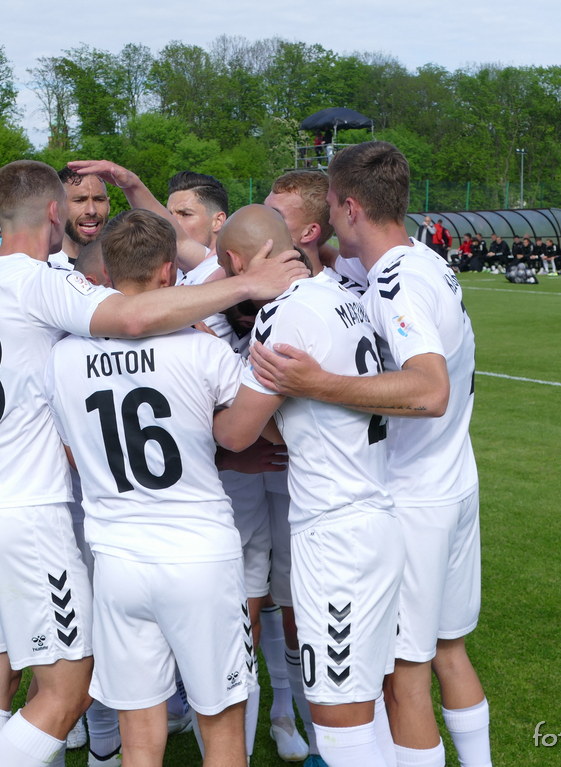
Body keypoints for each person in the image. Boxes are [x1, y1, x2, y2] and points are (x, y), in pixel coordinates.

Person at [0, 160, 307, 767]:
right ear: (56, 213)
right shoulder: (46, 284)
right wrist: (248, 285)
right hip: (39, 517)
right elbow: (137, 319)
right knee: (69, 693)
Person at [250, 141, 492, 767]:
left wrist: (315, 385)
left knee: (402, 680)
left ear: (350, 206)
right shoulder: (421, 260)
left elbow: (429, 388)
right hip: (454, 481)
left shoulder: (397, 284)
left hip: (411, 496)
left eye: (330, 206)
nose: (327, 218)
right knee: (447, 651)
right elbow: (335, 266)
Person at [46, 209, 257, 767]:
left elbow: (72, 451)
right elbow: (246, 437)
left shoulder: (62, 358)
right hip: (199, 557)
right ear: (170, 273)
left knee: (140, 741)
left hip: (118, 562)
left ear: (108, 275)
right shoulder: (203, 350)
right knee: (223, 733)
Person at [213, 204, 404, 767]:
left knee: (339, 720)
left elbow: (237, 433)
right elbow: (301, 414)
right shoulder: (342, 293)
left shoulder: (280, 316)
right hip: (378, 514)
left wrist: (197, 388)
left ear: (234, 263)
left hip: (334, 534)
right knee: (369, 704)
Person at [49, 168, 111, 269]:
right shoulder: (40, 267)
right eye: (80, 200)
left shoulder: (122, 262)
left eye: (99, 200)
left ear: (108, 206)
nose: (91, 210)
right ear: (57, 208)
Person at [166, 171, 228, 256]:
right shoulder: (161, 265)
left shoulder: (231, 267)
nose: (171, 223)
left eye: (185, 214)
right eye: (169, 215)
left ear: (218, 221)